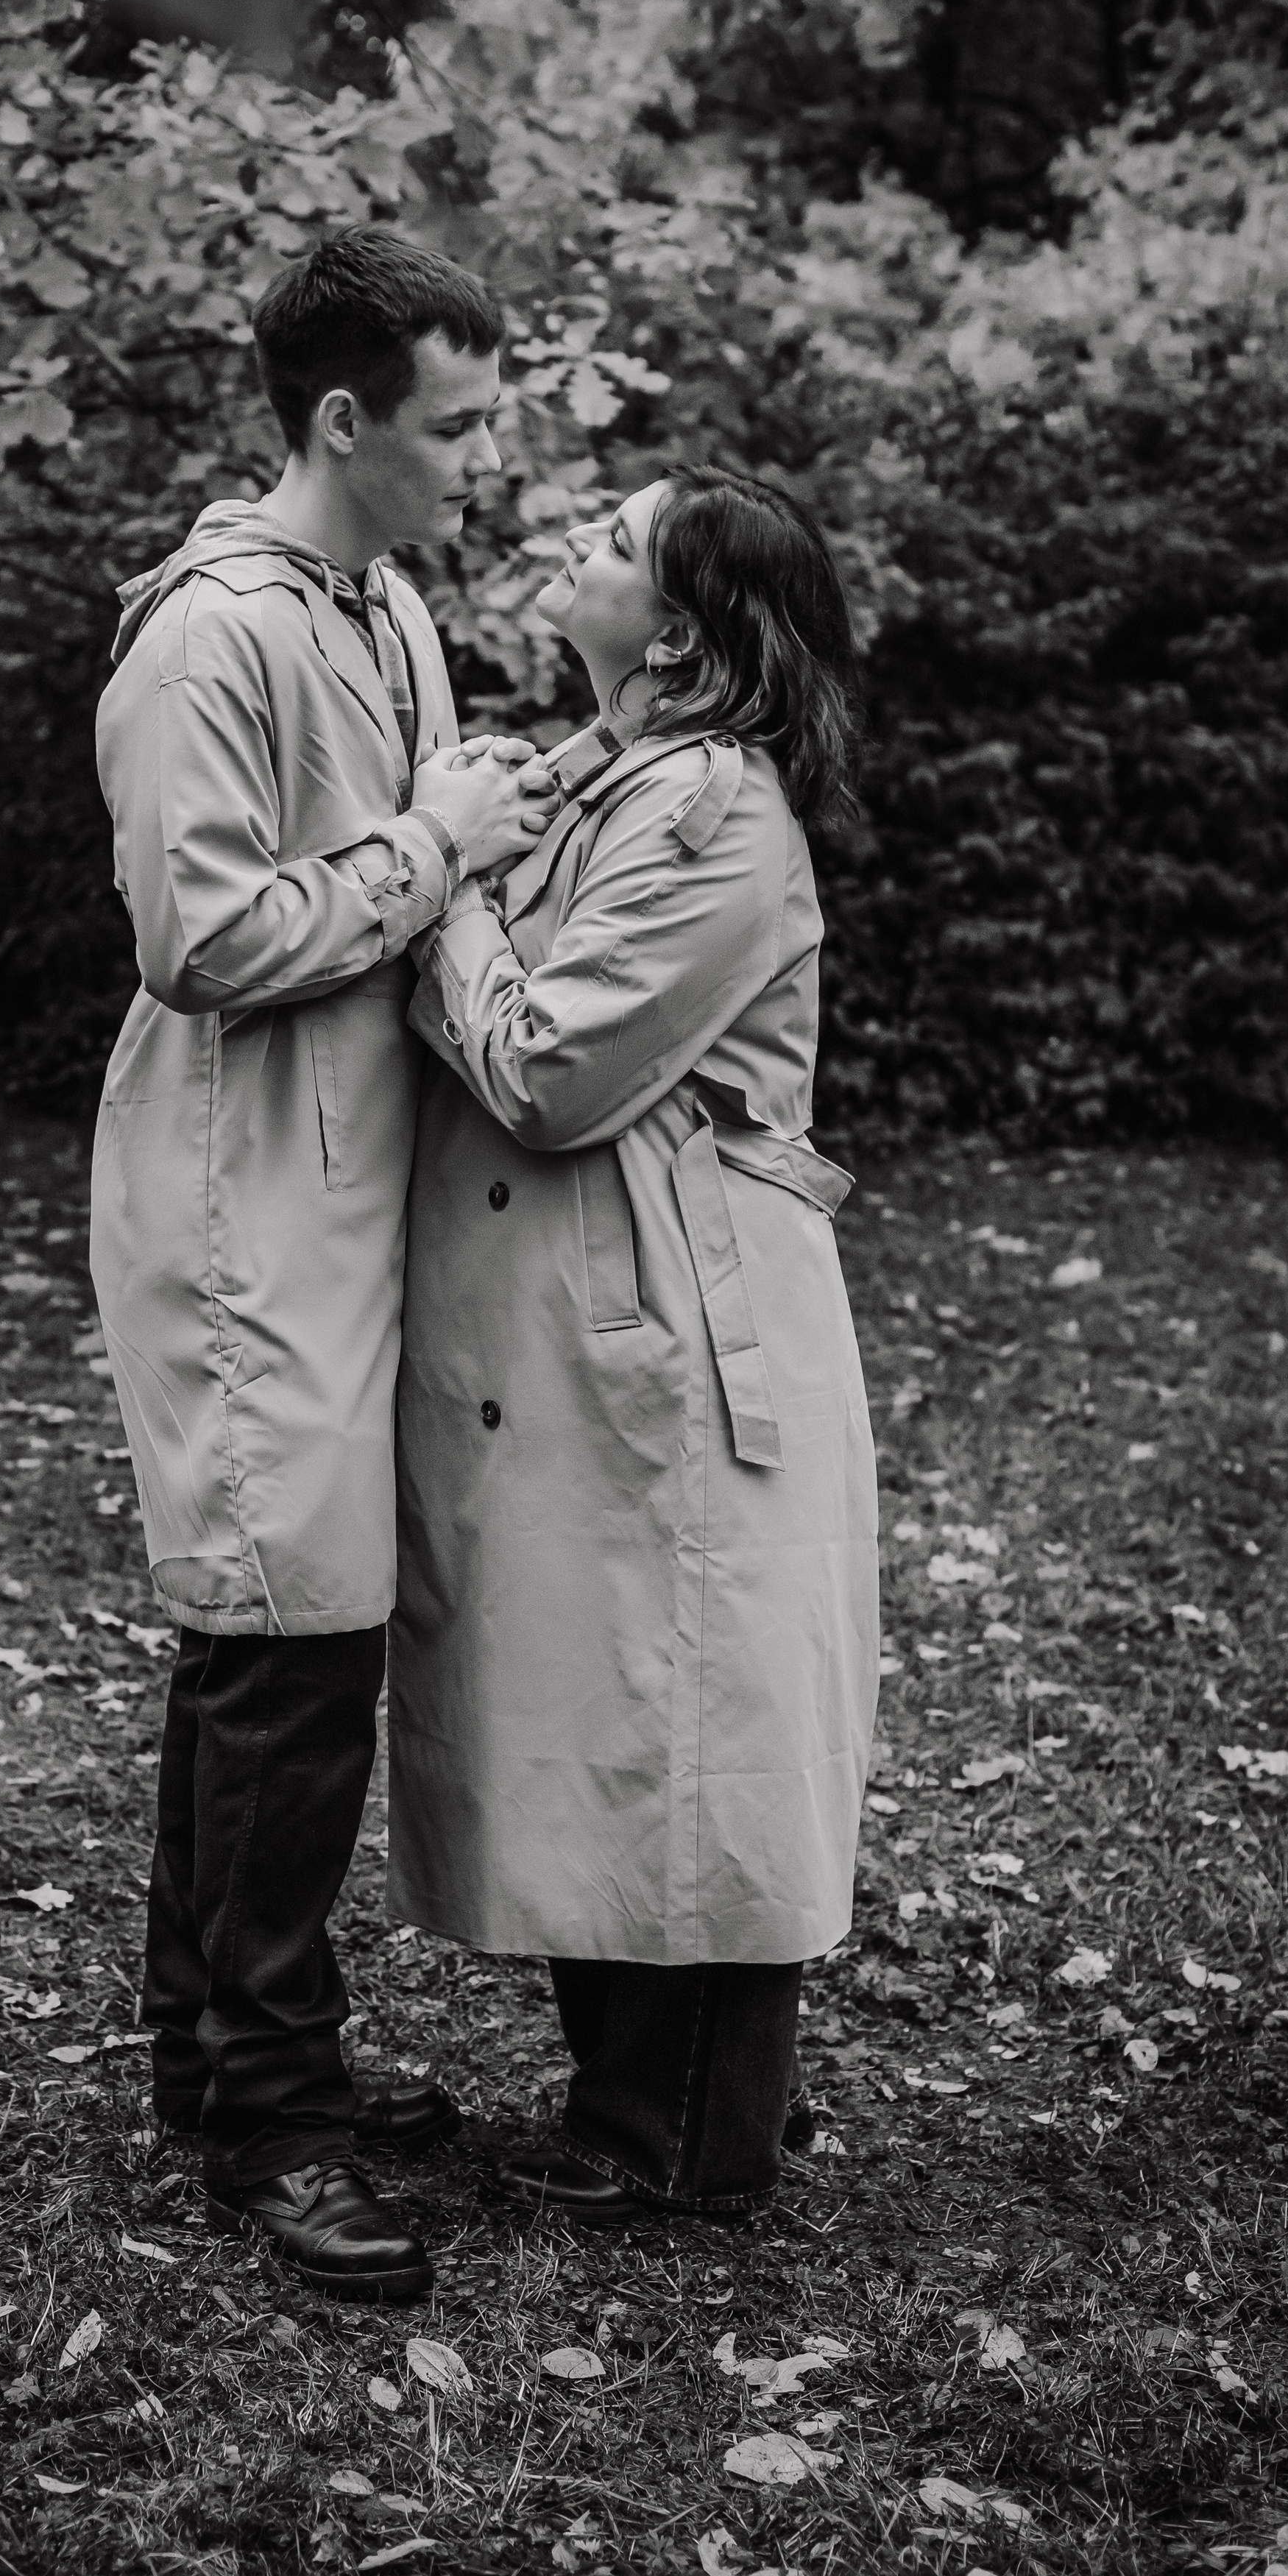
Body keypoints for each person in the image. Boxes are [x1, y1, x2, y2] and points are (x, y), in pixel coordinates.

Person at [88, 228, 557, 2303]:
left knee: (272, 1642)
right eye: (457, 422)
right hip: (239, 1198)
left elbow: (388, 887)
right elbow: (202, 942)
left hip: (356, 1198)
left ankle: (218, 2054)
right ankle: (275, 2118)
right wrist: (441, 845)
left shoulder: (389, 610)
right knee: (289, 1648)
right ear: (347, 423)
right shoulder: (210, 641)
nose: (488, 454)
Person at [388, 464, 880, 2223]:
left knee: (684, 1714)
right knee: (611, 1703)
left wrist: (436, 888)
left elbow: (549, 1068)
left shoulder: (711, 817)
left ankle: (681, 2142)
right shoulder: (606, 780)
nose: (567, 547)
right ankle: (646, 2115)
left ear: (671, 631)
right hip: (603, 1312)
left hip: (677, 1322)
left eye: (608, 542)